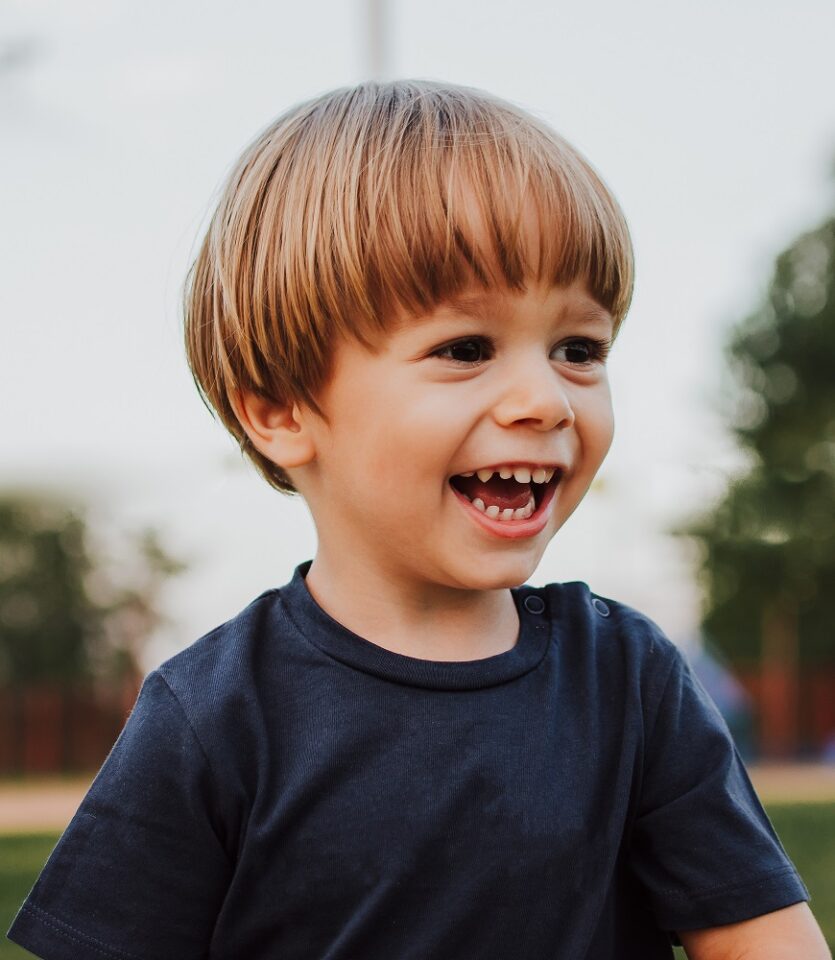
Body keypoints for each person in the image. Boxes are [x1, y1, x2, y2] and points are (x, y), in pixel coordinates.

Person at [8, 80, 830, 960]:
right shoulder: (213, 718)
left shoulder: (629, 684)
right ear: (282, 410)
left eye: (578, 349)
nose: (546, 399)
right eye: (465, 349)